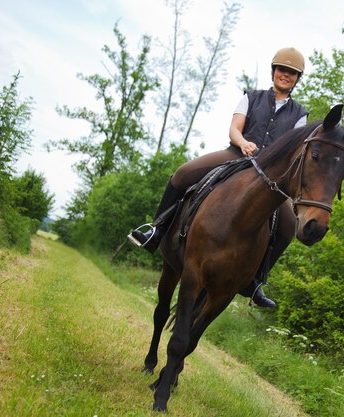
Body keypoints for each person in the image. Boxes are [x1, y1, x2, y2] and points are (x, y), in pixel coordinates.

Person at [129, 47, 309, 308]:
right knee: (182, 174)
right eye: (282, 69)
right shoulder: (251, 97)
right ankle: (156, 230)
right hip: (235, 155)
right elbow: (235, 128)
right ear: (273, 72)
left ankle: (257, 280)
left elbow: (293, 149)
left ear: (297, 79)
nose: (286, 75)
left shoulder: (299, 113)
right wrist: (244, 142)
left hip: (269, 175)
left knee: (289, 224)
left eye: (292, 73)